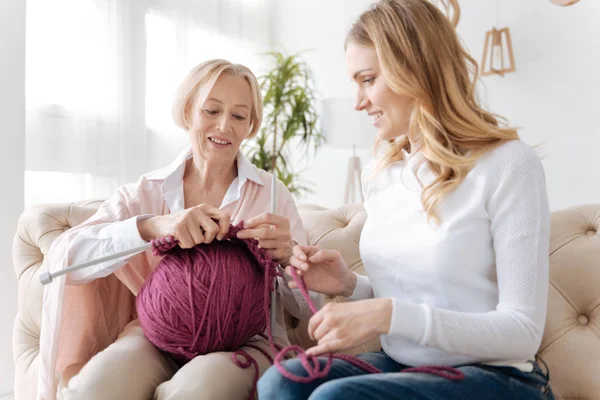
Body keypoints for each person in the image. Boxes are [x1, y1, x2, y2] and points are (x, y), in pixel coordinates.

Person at [257, 0, 555, 399]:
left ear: (415, 70)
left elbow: (522, 332)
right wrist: (350, 285)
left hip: (500, 378)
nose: (358, 101)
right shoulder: (382, 173)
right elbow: (419, 298)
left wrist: (387, 315)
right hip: (407, 366)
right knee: (280, 381)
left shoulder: (507, 164)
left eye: (367, 79)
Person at [38, 59, 323, 400]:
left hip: (246, 339)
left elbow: (307, 308)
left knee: (197, 392)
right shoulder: (146, 192)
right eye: (211, 110)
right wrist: (151, 226)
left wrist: (287, 258)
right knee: (94, 388)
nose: (224, 126)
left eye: (238, 116)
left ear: (251, 126)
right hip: (154, 333)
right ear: (188, 112)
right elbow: (66, 261)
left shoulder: (273, 194)